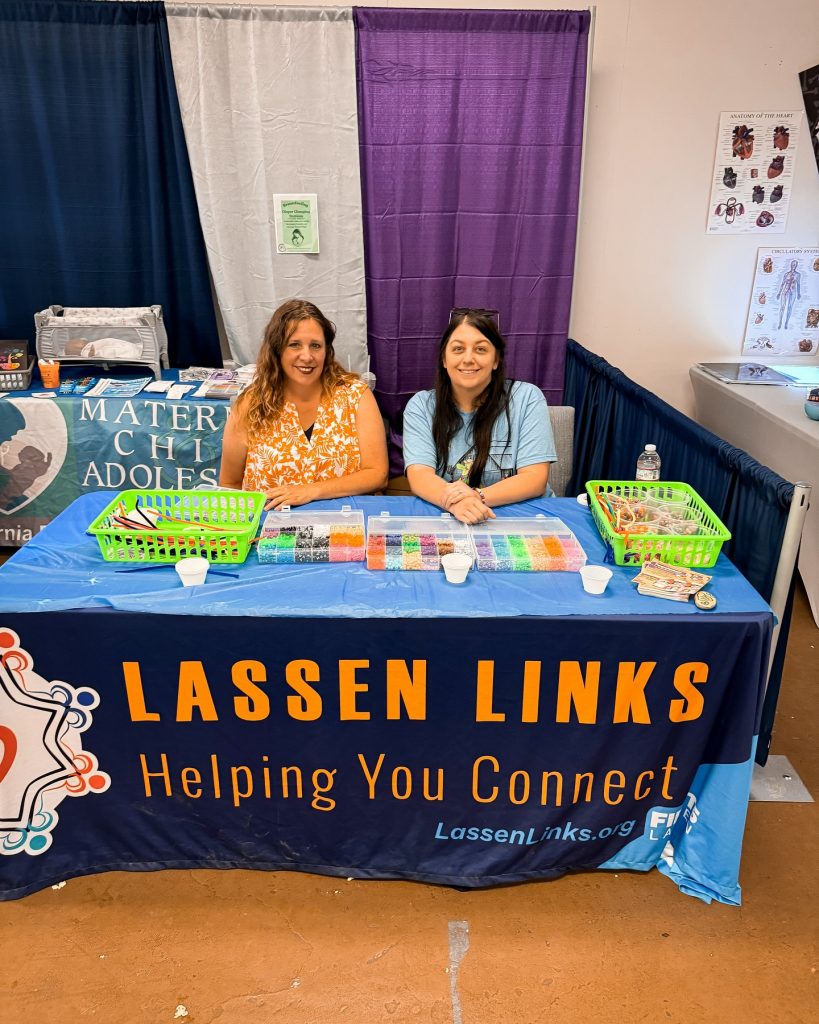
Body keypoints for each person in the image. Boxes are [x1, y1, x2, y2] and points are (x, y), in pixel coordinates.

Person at [219, 299, 388, 509]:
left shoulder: (355, 395)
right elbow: (230, 484)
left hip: (343, 529)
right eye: (294, 344)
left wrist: (311, 490)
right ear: (277, 350)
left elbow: (377, 474)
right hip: (267, 534)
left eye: (315, 346)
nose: (307, 356)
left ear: (327, 351)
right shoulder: (250, 405)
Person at [402, 309, 556, 524]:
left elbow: (534, 478)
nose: (468, 359)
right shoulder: (421, 406)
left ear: (496, 360)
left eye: (481, 349)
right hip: (453, 517)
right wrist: (455, 503)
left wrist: (475, 497)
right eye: (457, 349)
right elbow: (420, 474)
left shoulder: (527, 397)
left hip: (524, 516)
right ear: (444, 360)